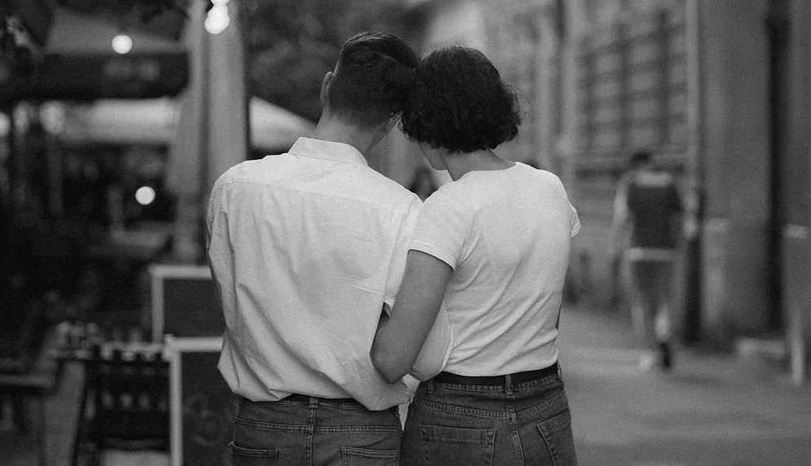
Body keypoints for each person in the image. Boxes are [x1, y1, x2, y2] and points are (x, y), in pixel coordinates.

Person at [207, 31, 452, 465]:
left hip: (264, 426)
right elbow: (427, 356)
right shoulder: (402, 211)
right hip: (360, 432)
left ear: (326, 87)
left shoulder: (235, 189)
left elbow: (230, 303)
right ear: (393, 120)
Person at [370, 46, 580, 466]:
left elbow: (393, 359)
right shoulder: (550, 189)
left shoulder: (449, 207)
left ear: (426, 125)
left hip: (459, 417)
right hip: (545, 405)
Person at [608, 149, 684, 371]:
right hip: (666, 249)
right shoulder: (670, 183)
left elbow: (622, 217)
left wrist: (614, 248)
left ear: (633, 166)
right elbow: (678, 217)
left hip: (638, 249)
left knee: (642, 301)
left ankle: (650, 352)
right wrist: (677, 244)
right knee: (665, 298)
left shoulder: (630, 183)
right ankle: (665, 332)